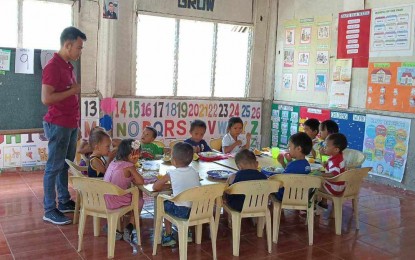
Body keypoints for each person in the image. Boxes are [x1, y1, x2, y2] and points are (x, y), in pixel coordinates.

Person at [41, 26, 86, 225]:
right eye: (79, 47)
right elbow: (46, 98)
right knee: (53, 167)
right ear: (67, 45)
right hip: (58, 123)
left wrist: (77, 122)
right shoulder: (53, 66)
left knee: (65, 165)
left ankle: (64, 201)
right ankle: (49, 209)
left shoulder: (68, 65)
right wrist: (74, 91)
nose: (80, 51)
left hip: (69, 123)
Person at [153, 142, 201, 246]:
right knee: (184, 201)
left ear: (173, 161)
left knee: (163, 204)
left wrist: (163, 184)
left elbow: (155, 187)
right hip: (196, 210)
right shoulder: (194, 172)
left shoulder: (172, 173)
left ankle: (168, 235)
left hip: (181, 212)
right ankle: (187, 233)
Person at [104, 139, 144, 246]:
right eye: (137, 154)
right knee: (139, 200)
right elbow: (141, 181)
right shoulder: (129, 166)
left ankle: (112, 225)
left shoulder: (114, 162)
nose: (138, 157)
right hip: (117, 200)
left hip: (105, 198)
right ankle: (130, 225)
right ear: (131, 155)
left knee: (135, 192)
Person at [275, 132, 312, 201]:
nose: (288, 149)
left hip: (286, 196)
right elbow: (291, 173)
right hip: (301, 196)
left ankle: (275, 210)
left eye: (289, 147)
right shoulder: (306, 164)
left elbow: (282, 180)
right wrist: (283, 162)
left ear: (298, 149)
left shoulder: (293, 165)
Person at [318, 133, 348, 209]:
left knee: (313, 185)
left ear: (336, 149)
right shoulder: (337, 156)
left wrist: (320, 174)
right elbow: (326, 165)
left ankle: (312, 207)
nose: (324, 147)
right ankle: (323, 203)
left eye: (326, 146)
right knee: (320, 180)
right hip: (339, 187)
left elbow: (334, 174)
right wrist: (322, 156)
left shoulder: (335, 161)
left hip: (334, 188)